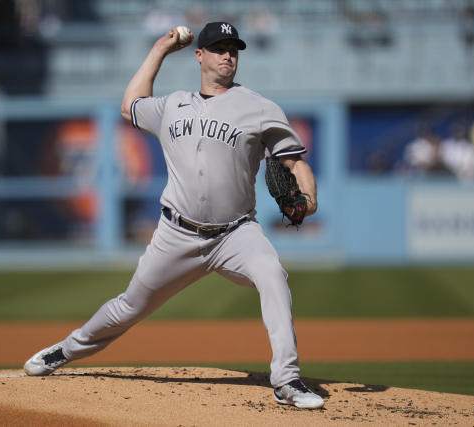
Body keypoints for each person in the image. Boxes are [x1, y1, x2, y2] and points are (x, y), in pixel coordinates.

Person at [23, 22, 323, 410]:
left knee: (272, 275)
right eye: (218, 48)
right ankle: (64, 350)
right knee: (129, 307)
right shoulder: (172, 105)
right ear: (199, 55)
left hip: (236, 233)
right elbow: (129, 104)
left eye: (233, 48)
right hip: (176, 234)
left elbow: (295, 163)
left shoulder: (259, 107)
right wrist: (160, 50)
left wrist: (310, 199)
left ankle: (287, 380)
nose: (228, 55)